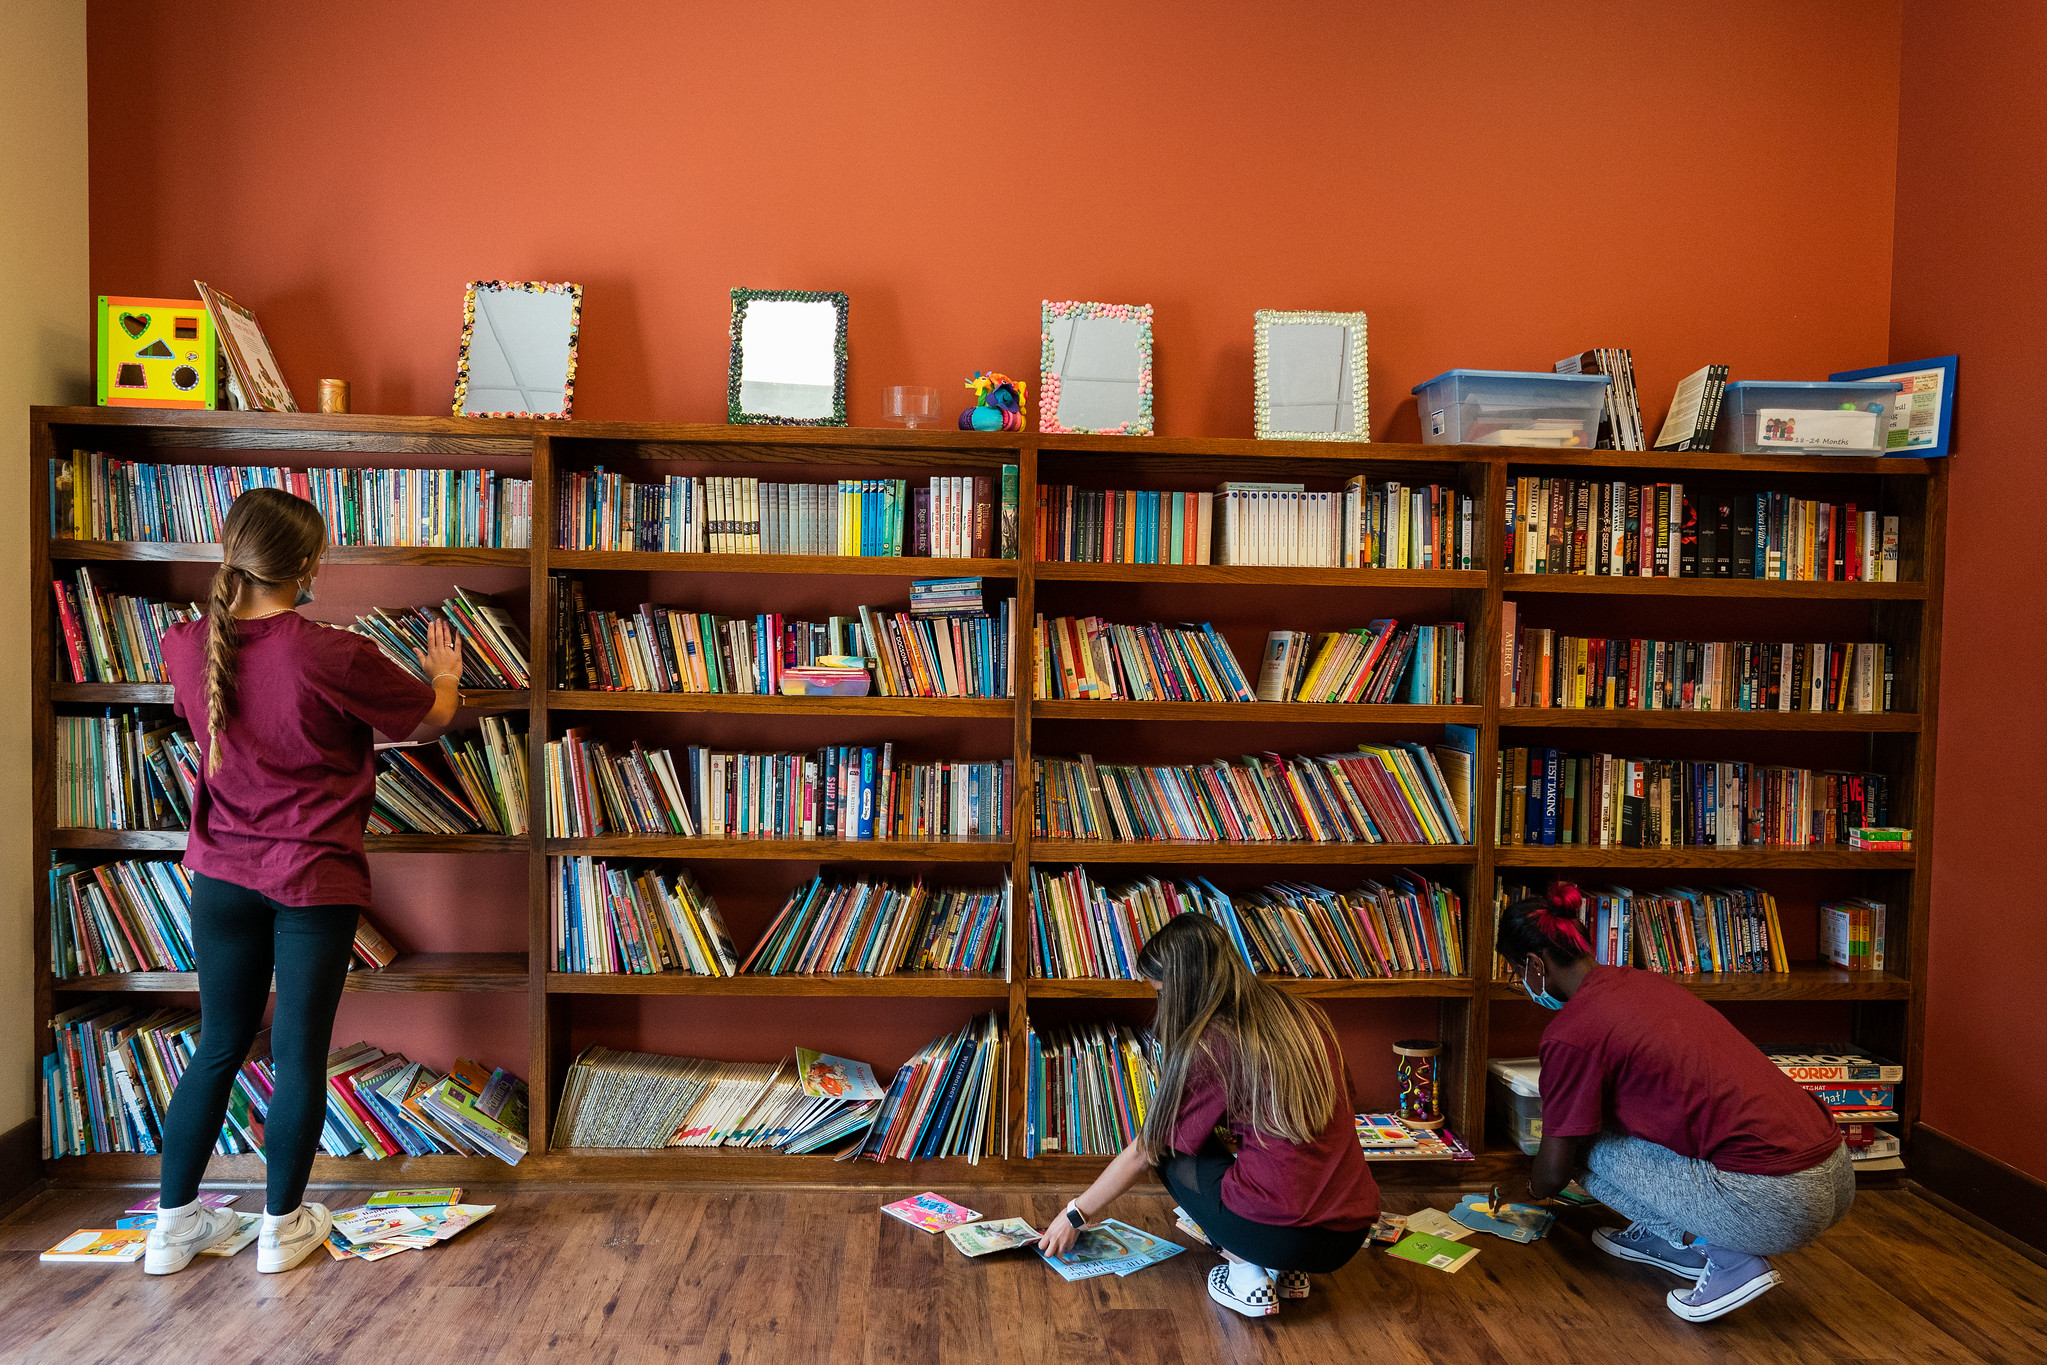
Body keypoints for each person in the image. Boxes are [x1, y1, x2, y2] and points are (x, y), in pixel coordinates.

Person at [141, 488, 463, 1275]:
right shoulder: (331, 653)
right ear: (310, 565)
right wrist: (445, 676)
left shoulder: (184, 644)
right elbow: (428, 720)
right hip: (311, 878)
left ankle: (172, 1229)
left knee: (217, 1043)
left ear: (230, 552)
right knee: (297, 1054)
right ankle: (282, 1229)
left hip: (219, 877)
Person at [1501, 885, 1854, 1322]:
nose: (1521, 984)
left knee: (1578, 1148)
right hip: (1836, 1169)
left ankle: (1724, 1256)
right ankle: (1672, 1238)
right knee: (1595, 1128)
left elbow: (1554, 1172)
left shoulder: (1571, 1032)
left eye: (1517, 973)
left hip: (1776, 1201)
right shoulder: (1642, 981)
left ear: (1535, 965)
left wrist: (1530, 1193)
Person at [1034, 915, 1379, 1318]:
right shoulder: (1303, 1015)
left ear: (1184, 988)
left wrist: (1073, 1214)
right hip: (1349, 1235)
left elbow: (1144, 1151)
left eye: (1162, 994)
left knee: (1165, 1148)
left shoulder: (1213, 1043)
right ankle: (1289, 1275)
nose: (1161, 1006)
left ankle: (1245, 1271)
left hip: (1277, 1236)